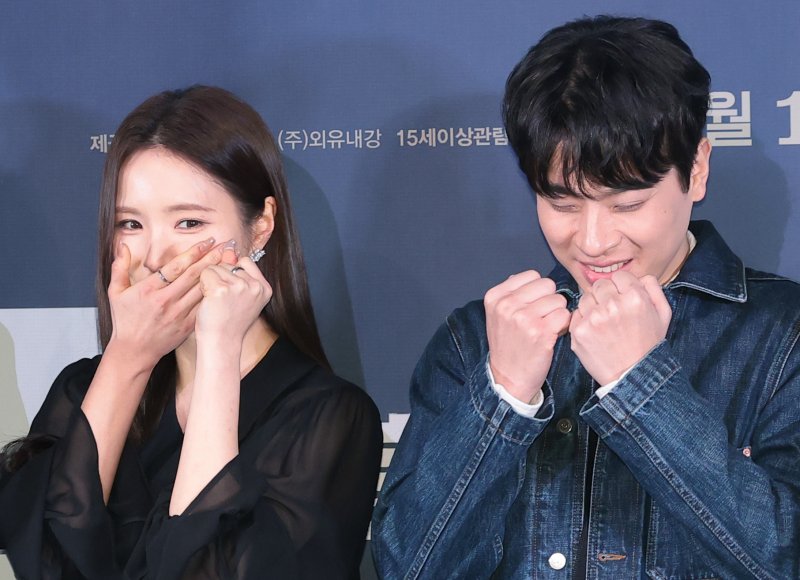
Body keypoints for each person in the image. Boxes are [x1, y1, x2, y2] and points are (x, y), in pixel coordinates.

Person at [372, 15, 800, 579]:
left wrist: (640, 385)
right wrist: (503, 395)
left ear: (696, 169)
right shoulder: (477, 338)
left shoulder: (784, 336)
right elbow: (407, 568)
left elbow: (782, 559)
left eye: (626, 204)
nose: (593, 241)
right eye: (563, 204)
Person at [0, 86, 382, 579]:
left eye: (188, 222)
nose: (155, 256)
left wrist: (220, 349)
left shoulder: (328, 416)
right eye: (130, 224)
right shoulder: (84, 389)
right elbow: (45, 565)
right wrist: (128, 357)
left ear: (261, 226)